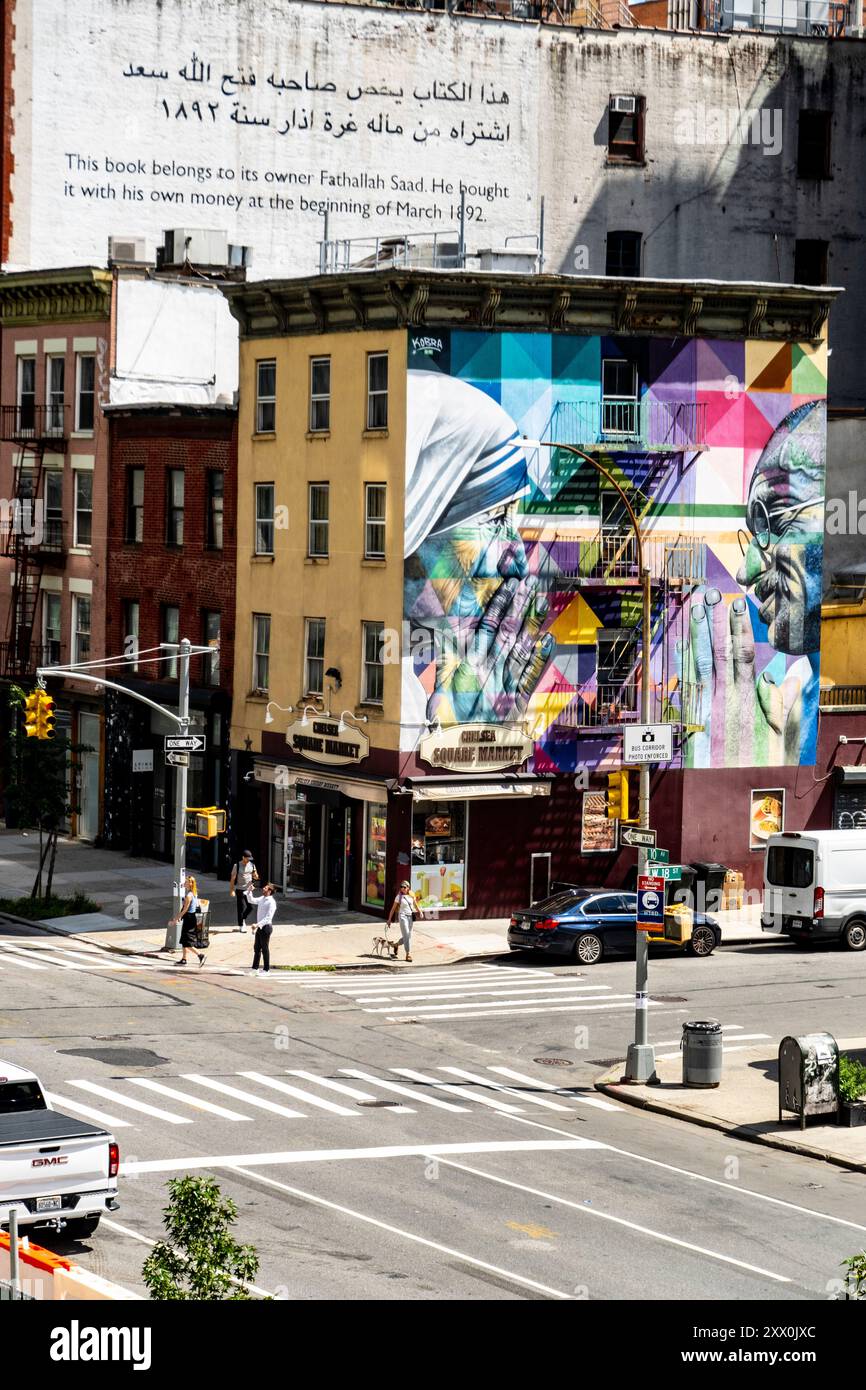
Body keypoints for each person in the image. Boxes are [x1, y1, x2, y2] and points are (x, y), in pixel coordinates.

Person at [169, 874, 206, 968]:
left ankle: (201, 955)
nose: (184, 883)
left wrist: (175, 920)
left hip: (189, 919)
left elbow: (185, 910)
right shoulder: (194, 893)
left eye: (186, 882)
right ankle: (184, 959)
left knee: (187, 942)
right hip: (190, 918)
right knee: (184, 940)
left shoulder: (189, 896)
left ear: (190, 884)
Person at [247, 883, 277, 977]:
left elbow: (268, 918)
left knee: (265, 949)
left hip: (266, 927)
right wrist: (249, 891)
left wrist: (257, 925)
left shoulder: (271, 902)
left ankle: (266, 970)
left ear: (269, 891)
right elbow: (251, 900)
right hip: (260, 927)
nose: (263, 889)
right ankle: (255, 969)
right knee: (257, 948)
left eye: (265, 888)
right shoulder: (262, 898)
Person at [387, 880, 420, 963]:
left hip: (410, 917)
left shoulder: (412, 895)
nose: (402, 888)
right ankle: (408, 954)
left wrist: (420, 911)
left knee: (408, 936)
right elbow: (393, 909)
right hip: (402, 916)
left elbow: (415, 904)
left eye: (404, 887)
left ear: (408, 888)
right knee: (406, 934)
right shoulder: (399, 897)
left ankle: (396, 945)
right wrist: (389, 919)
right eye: (401, 887)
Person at [229, 849, 259, 933]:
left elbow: (255, 876)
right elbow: (232, 879)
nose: (248, 860)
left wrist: (256, 876)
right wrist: (231, 890)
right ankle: (241, 925)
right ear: (243, 857)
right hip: (239, 889)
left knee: (251, 907)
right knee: (241, 908)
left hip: (249, 889)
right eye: (247, 858)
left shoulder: (252, 865)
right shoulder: (237, 866)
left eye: (250, 858)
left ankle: (243, 919)